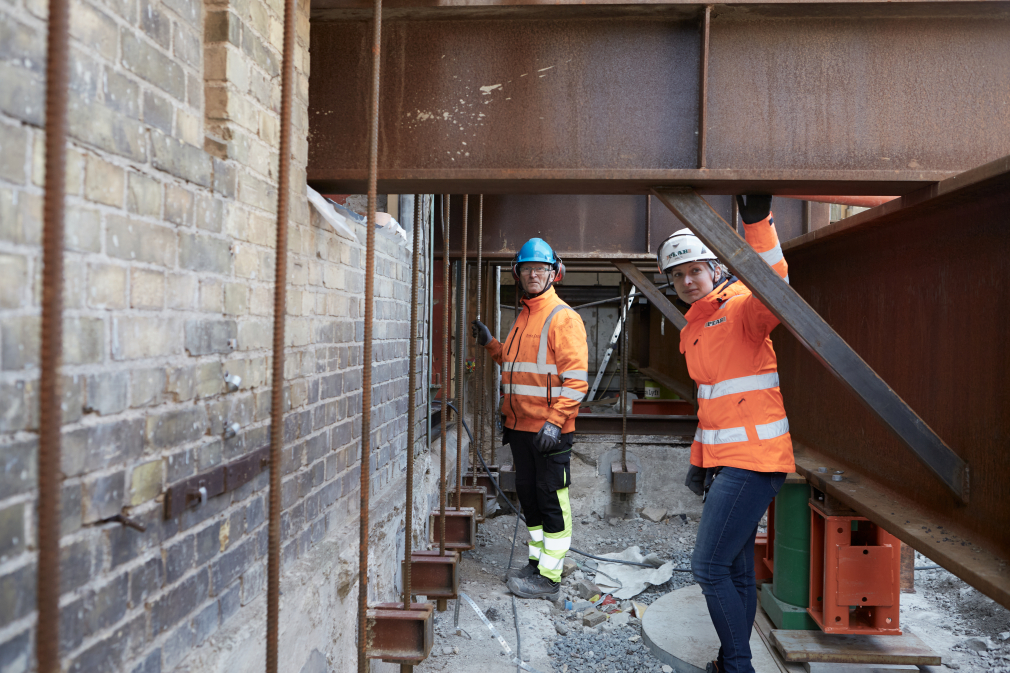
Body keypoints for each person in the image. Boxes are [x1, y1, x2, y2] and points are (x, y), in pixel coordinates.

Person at [656, 195, 795, 673]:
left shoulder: (741, 309)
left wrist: (757, 223)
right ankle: (733, 659)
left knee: (708, 567)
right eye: (677, 275)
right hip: (726, 459)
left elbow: (777, 287)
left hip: (755, 459)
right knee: (733, 569)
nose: (687, 281)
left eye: (695, 270)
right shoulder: (692, 329)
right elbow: (711, 404)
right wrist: (700, 460)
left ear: (715, 268)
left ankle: (737, 666)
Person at [471, 238, 588, 600]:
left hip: (548, 432)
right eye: (526, 269)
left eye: (540, 269)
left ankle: (549, 578)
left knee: (551, 499)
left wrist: (555, 422)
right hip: (520, 429)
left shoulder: (562, 317)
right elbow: (517, 365)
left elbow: (577, 380)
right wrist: (493, 345)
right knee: (530, 497)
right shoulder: (524, 315)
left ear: (555, 273)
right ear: (517, 274)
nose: (533, 274)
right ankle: (536, 563)